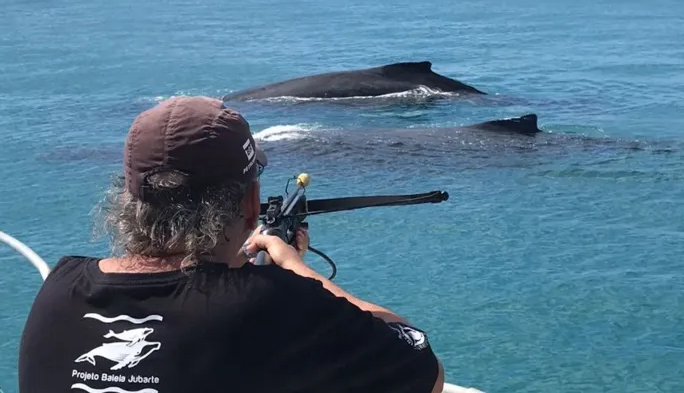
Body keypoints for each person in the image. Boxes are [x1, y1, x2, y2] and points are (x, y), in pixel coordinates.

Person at [17, 95, 445, 393]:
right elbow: (424, 371)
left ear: (129, 198)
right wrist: (294, 266)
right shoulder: (270, 304)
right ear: (252, 201)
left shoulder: (60, 288)